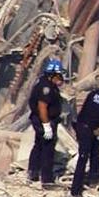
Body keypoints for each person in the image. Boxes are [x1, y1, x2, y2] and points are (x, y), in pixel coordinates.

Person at [28, 58, 67, 186]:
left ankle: (33, 172)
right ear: (52, 74)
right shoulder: (46, 88)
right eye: (59, 75)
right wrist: (47, 126)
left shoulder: (45, 83)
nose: (61, 77)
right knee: (48, 149)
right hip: (44, 121)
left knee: (38, 145)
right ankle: (47, 180)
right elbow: (42, 107)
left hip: (40, 120)